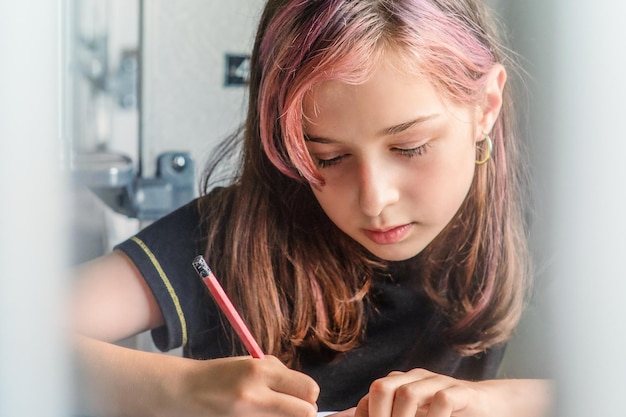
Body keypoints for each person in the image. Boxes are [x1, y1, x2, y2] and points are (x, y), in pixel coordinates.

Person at [71, 0, 552, 416]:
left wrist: (493, 403)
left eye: (410, 148)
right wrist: (175, 391)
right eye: (329, 158)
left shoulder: (539, 222)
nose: (374, 199)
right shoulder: (228, 238)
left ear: (486, 106)